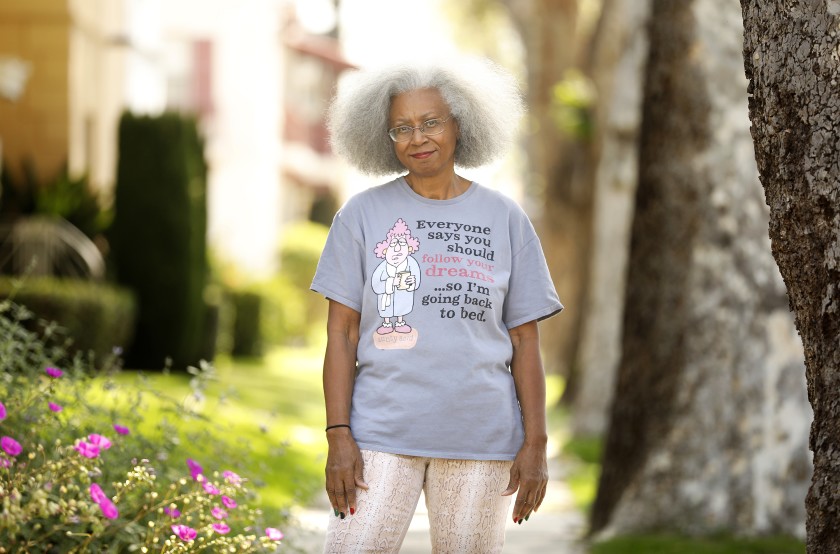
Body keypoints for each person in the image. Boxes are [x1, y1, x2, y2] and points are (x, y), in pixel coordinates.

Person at [311, 56, 563, 553]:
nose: (417, 138)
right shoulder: (361, 216)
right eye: (401, 128)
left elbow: (524, 340)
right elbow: (341, 334)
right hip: (379, 434)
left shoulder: (505, 219)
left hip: (481, 438)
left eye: (431, 122)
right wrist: (338, 435)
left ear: (459, 125)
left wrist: (536, 444)